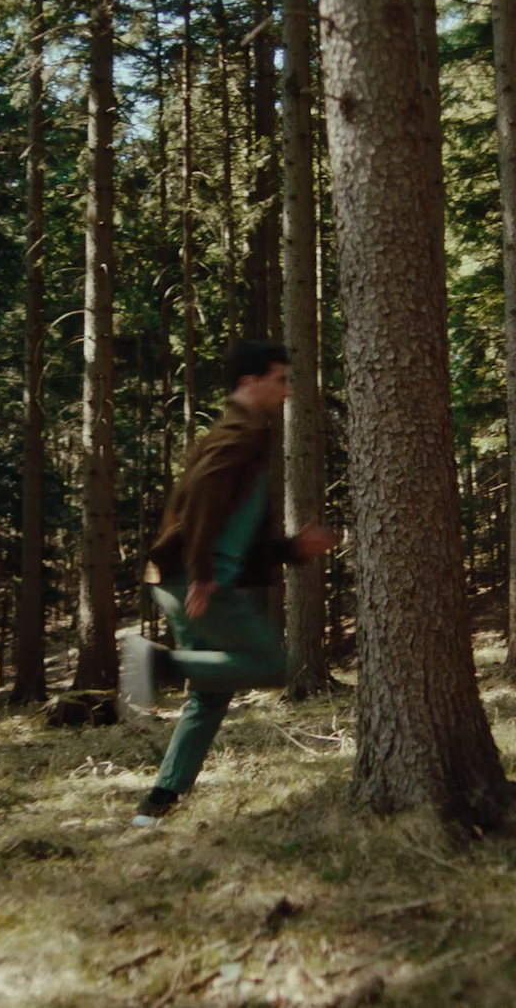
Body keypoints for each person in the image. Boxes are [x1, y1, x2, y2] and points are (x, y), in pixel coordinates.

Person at [121, 339, 338, 827]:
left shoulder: (244, 435)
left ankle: (158, 805)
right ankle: (158, 665)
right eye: (280, 380)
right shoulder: (237, 435)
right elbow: (201, 499)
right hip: (195, 582)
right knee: (272, 665)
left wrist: (292, 549)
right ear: (249, 382)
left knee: (211, 693)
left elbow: (234, 524)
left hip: (183, 579)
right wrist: (201, 574)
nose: (286, 392)